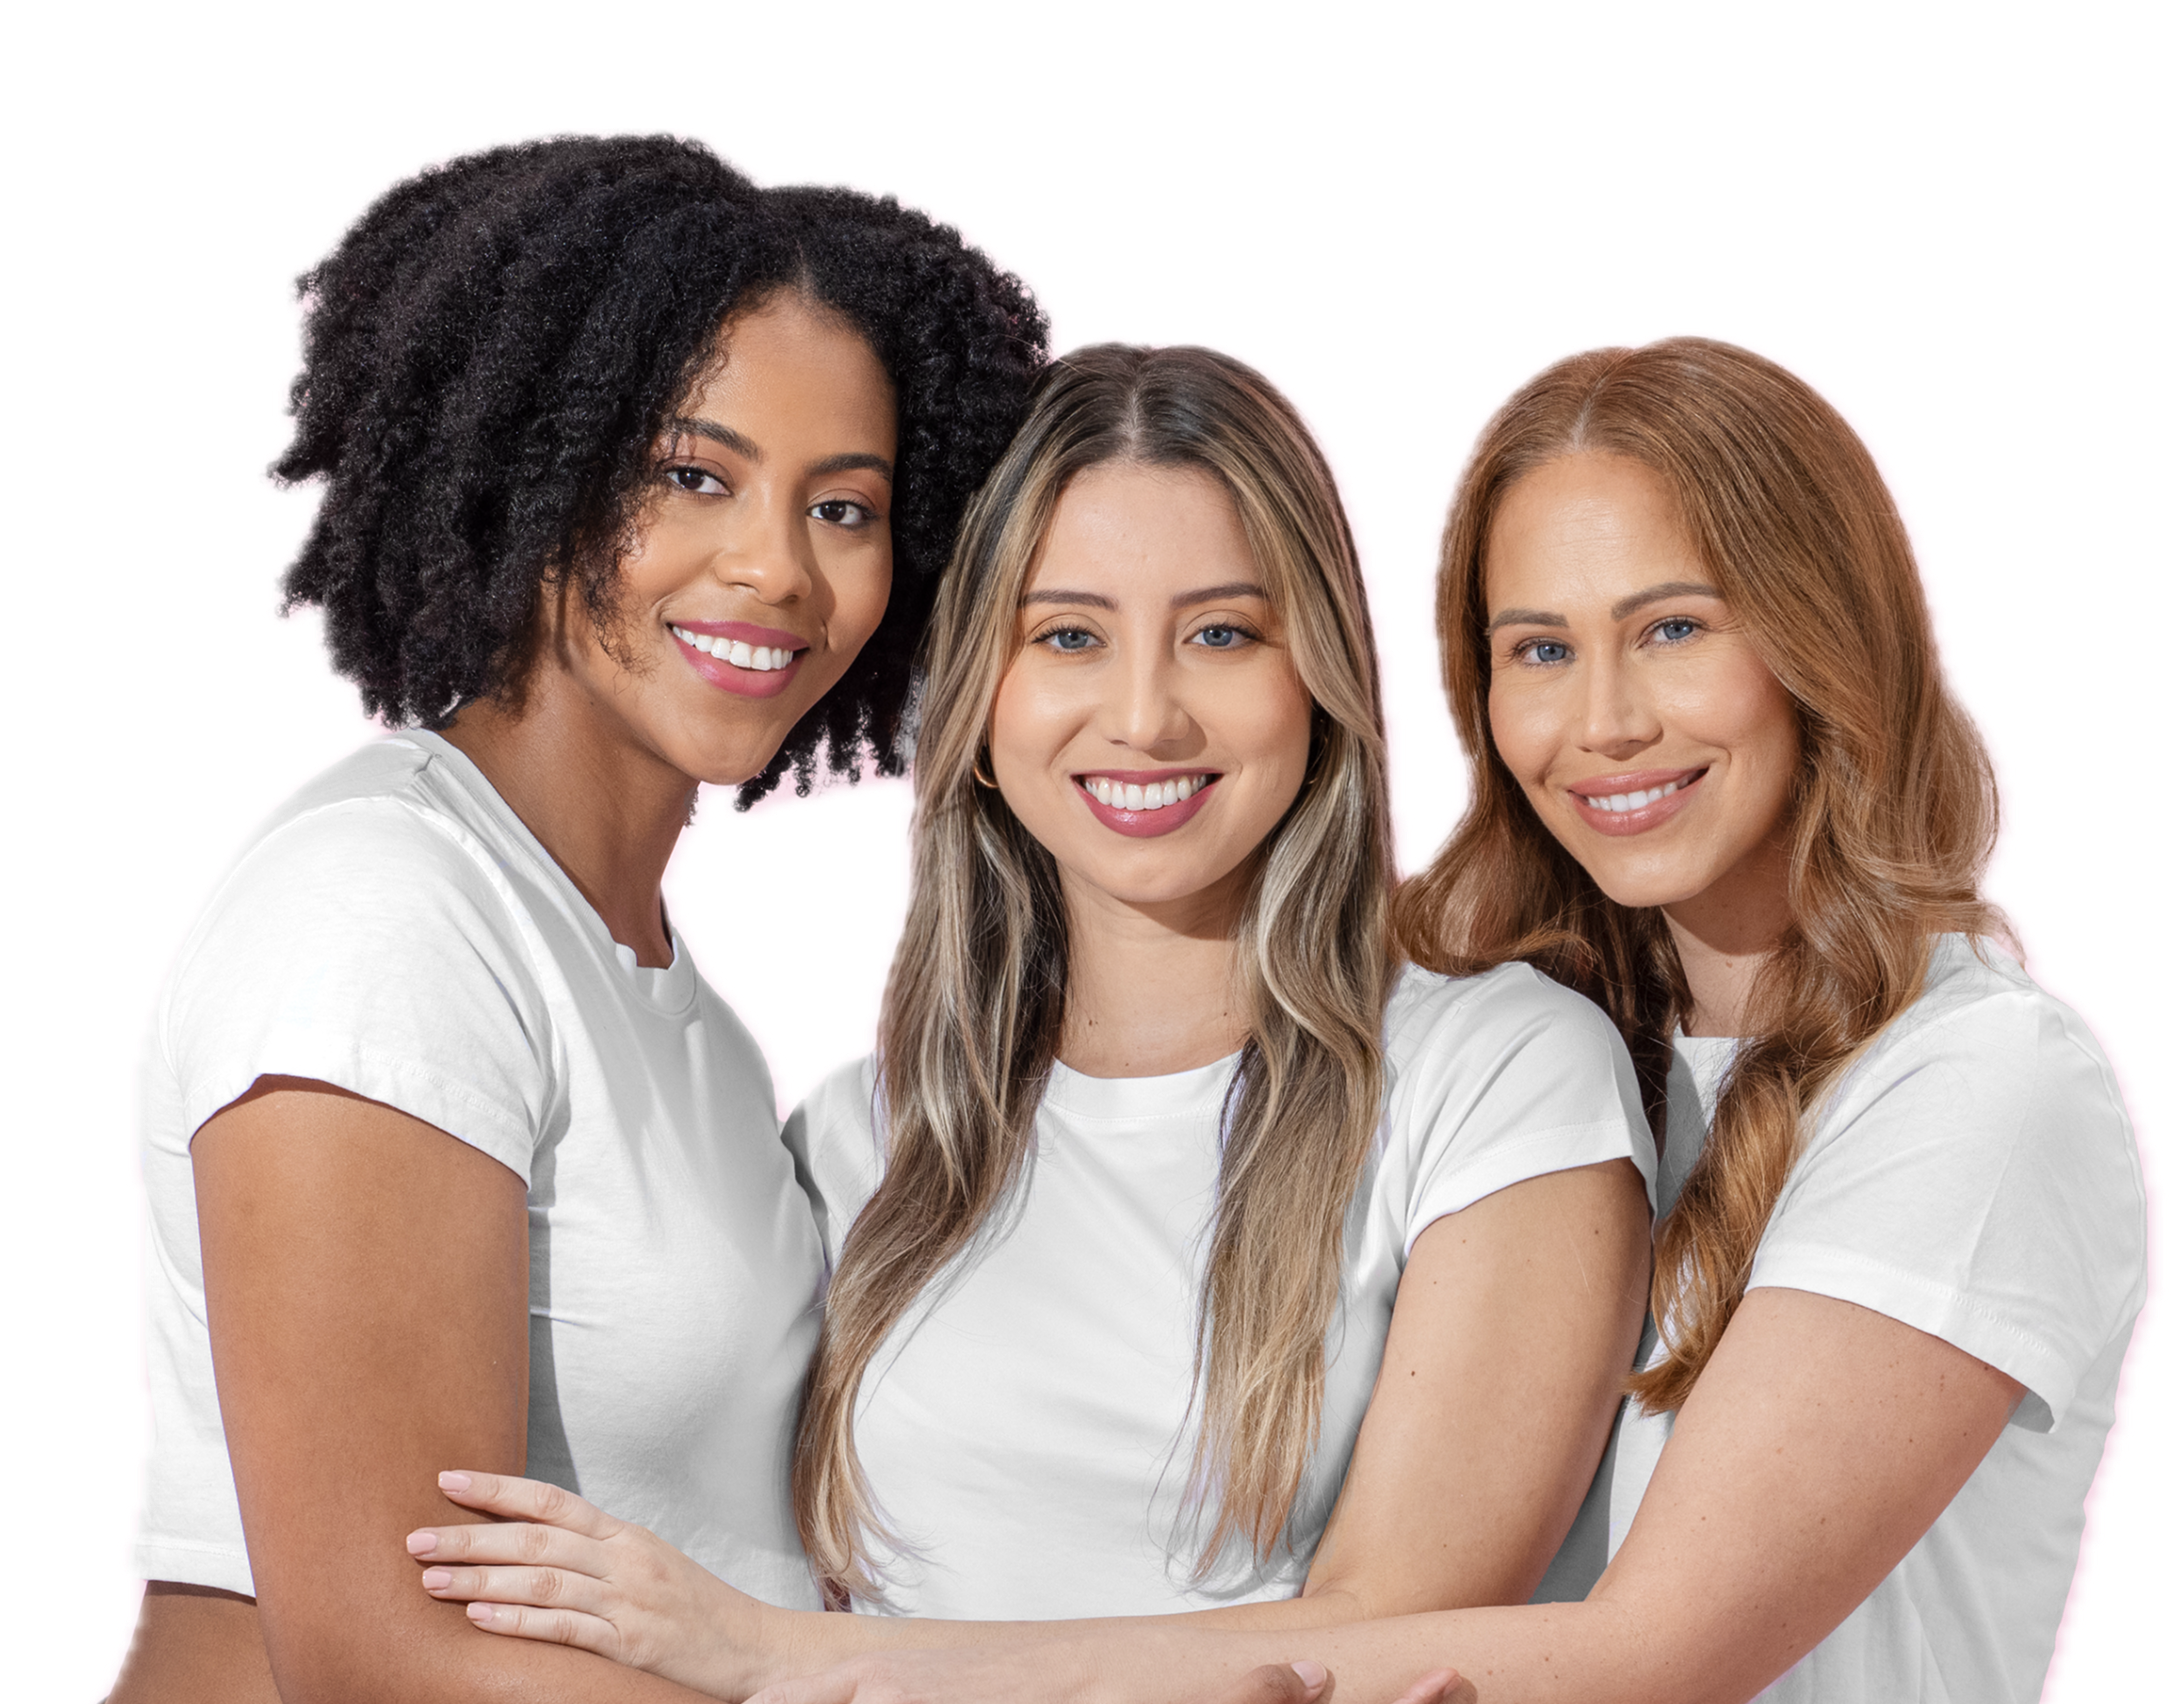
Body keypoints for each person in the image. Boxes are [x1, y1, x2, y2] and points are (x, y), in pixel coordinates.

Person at [674, 329, 2150, 1704]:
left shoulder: (1970, 1090)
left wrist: (822, 1672)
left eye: (1675, 628)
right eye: (1539, 650)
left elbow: (1648, 1652)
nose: (1604, 723)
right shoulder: (1553, 1019)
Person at [398, 339, 1655, 1694]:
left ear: (1321, 684)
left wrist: (777, 1661)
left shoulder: (1501, 1077)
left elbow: (1396, 1619)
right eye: (1066, 636)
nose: (1142, 715)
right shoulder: (856, 1139)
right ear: (977, 703)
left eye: (1223, 633)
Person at [111, 126, 1049, 1704]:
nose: (775, 569)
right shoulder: (388, 911)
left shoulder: (666, 999)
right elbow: (382, 1654)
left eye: (846, 507)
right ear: (523, 465)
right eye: (692, 474)